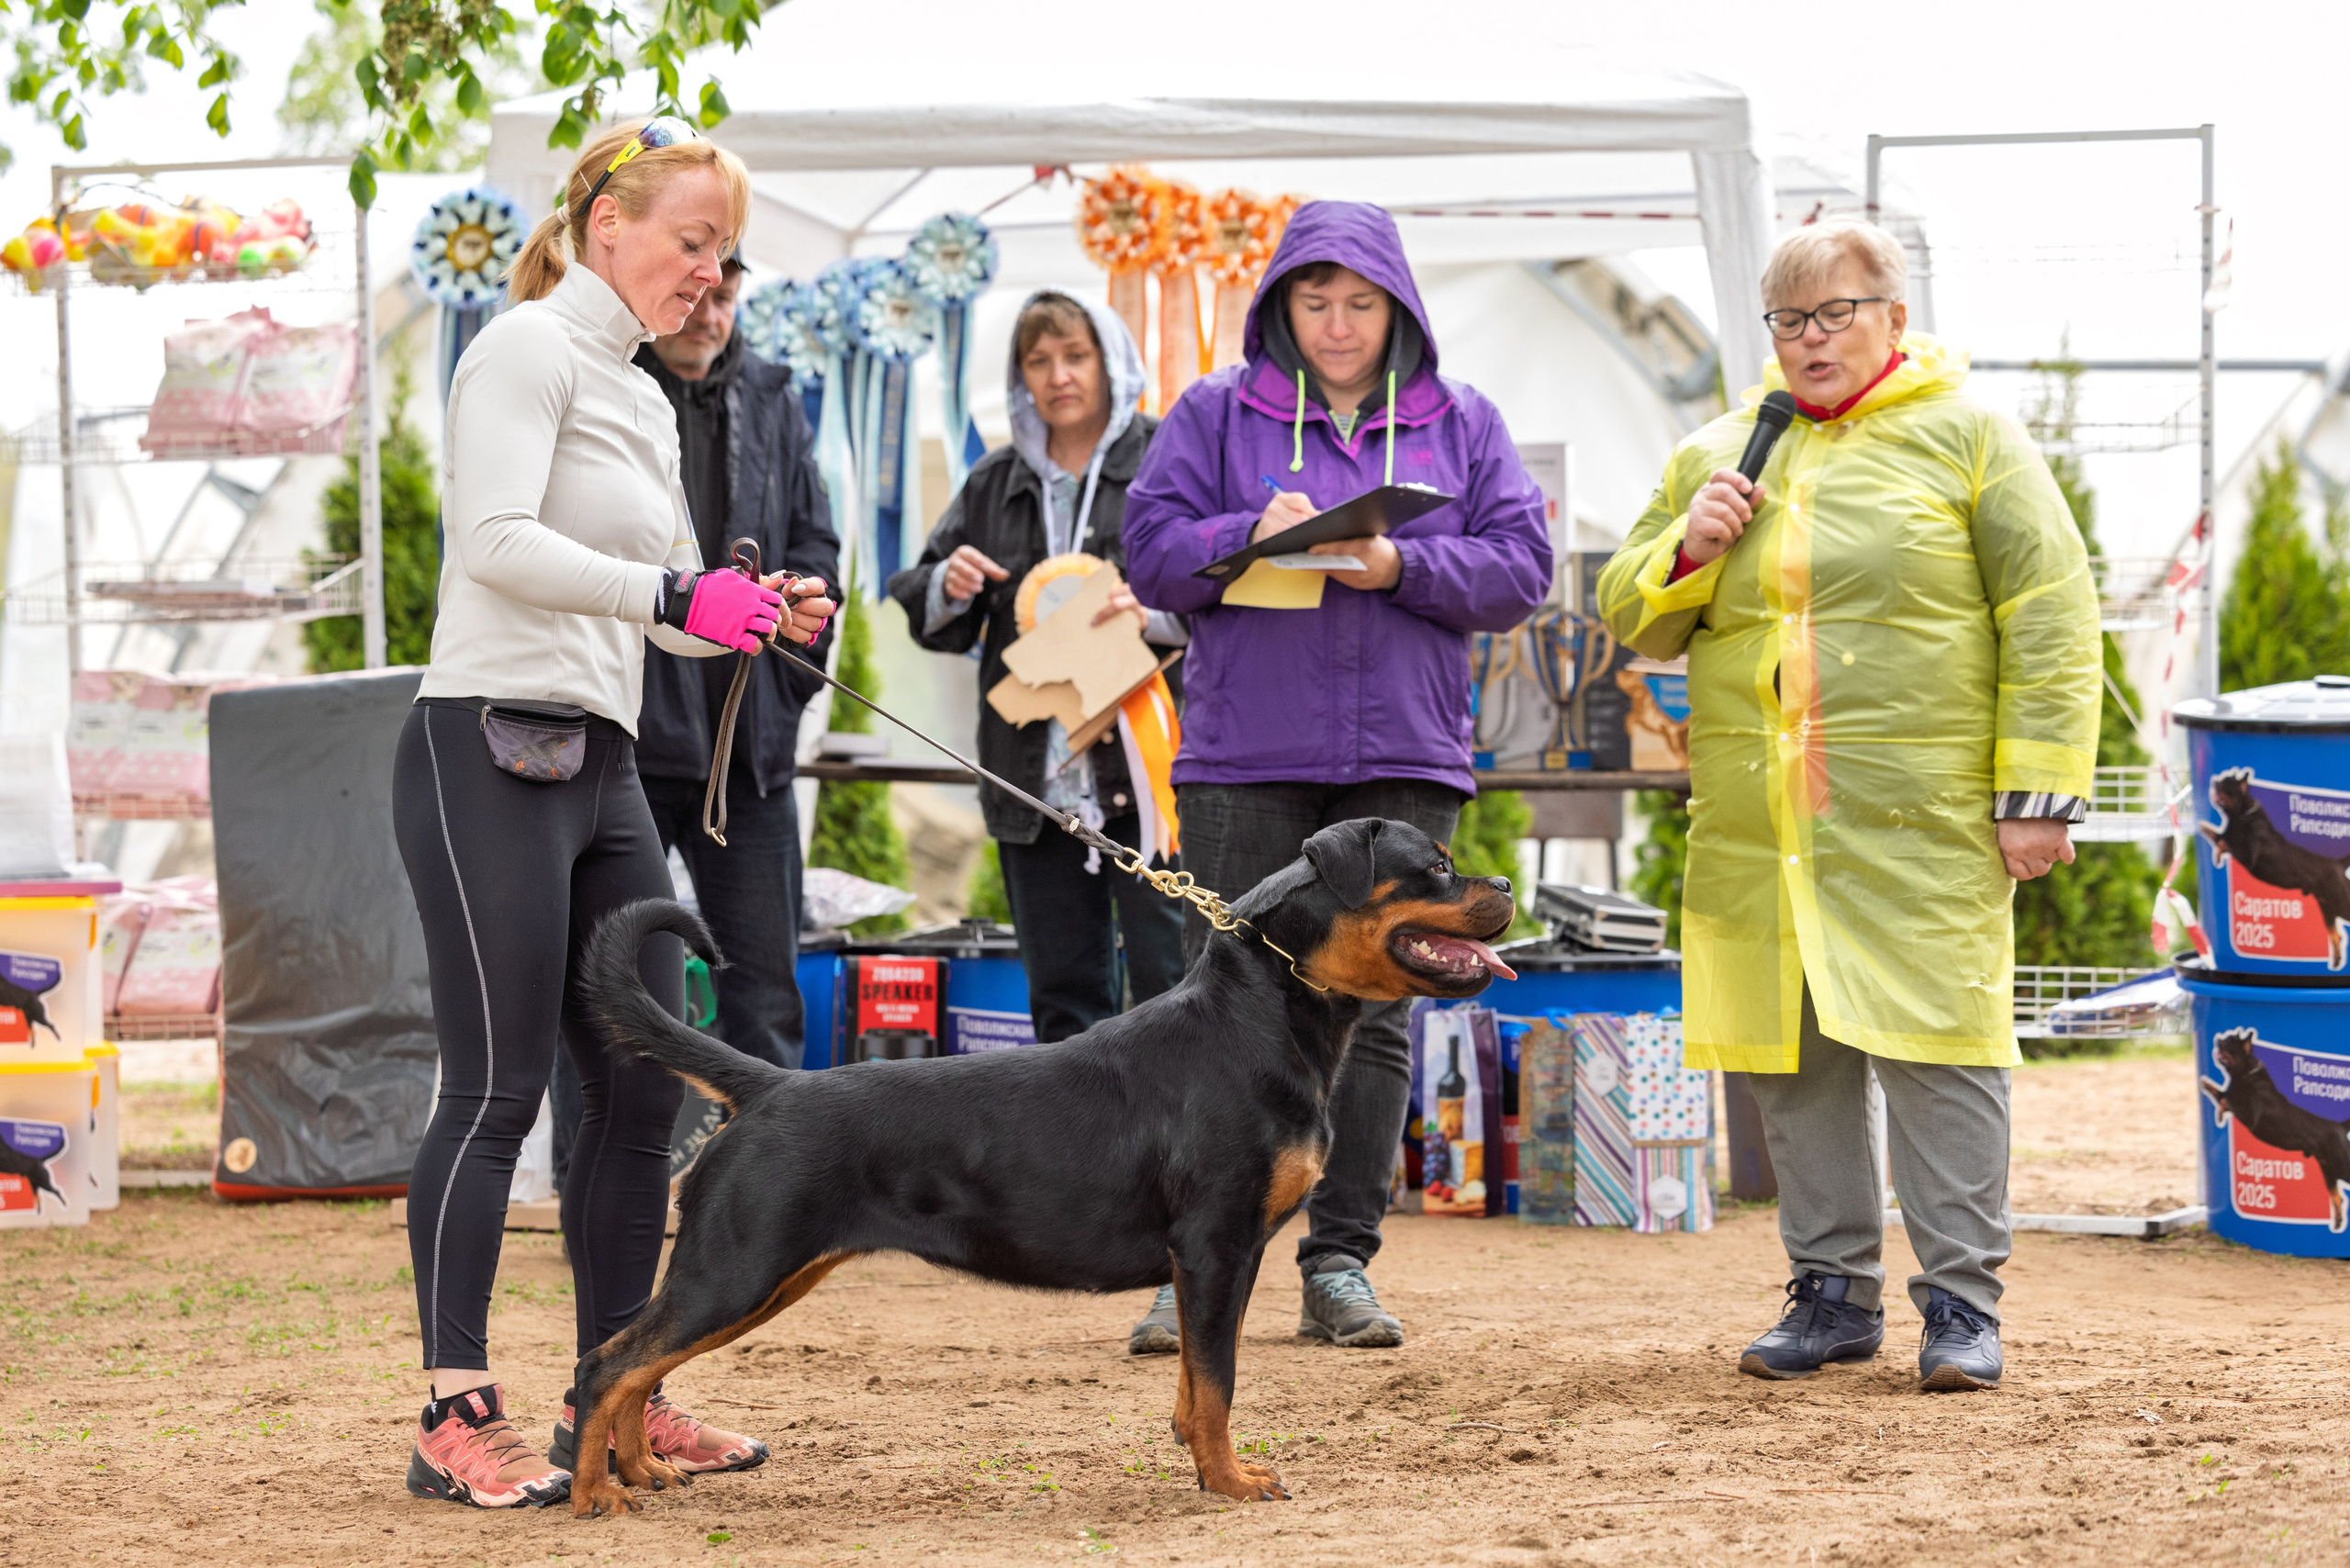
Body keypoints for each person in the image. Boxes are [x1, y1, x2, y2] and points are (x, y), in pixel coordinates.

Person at [392, 117, 836, 1508]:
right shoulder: (524, 348)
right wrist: (669, 600)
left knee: (645, 1081)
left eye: (722, 254)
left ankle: (616, 1388)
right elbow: (498, 545)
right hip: (484, 745)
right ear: (605, 229)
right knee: (497, 1084)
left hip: (601, 758)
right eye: (691, 243)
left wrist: (749, 618)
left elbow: (679, 613)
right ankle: (452, 1409)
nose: (710, 274)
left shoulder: (644, 393)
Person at [1596, 220, 2101, 1392]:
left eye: (1834, 313)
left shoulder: (1971, 436)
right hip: (1763, 822)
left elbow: (2050, 613)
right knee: (1795, 1051)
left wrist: (2034, 796)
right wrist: (1690, 545)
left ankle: (1961, 1303)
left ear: (1893, 316)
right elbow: (1634, 612)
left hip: (1919, 816)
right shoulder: (1723, 448)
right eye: (1787, 319)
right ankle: (1829, 1294)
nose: (1809, 339)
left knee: (1942, 1047)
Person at [1121, 201, 1551, 1353]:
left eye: (1361, 303)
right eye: (1314, 302)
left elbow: (1521, 568)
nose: (1338, 324)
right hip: (1240, 756)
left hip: (1404, 752)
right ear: (1279, 306)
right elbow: (1148, 549)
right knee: (1207, 1008)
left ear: (1399, 307)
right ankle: (1184, 1261)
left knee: (1375, 1017)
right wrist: (1242, 535)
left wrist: (1397, 560)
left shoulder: (1462, 422)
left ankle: (1338, 1261)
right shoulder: (1214, 412)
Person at [546, 250, 839, 1192]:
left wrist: (804, 600)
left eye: (727, 292)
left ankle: (781, 1191)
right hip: (626, 735)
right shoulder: (606, 387)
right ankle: (591, 1180)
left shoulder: (775, 396)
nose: (709, 310)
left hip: (743, 748)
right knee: (606, 977)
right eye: (696, 292)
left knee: (764, 984)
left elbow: (815, 537)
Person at [886, 291, 1187, 1045]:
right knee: (1062, 1004)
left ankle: (1186, 1165)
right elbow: (923, 594)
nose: (1059, 376)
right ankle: (1085, 1166)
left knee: (1178, 996)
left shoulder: (1166, 460)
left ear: (1112, 364)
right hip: (1036, 781)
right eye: (1038, 361)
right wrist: (947, 585)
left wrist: (1149, 614)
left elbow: (1215, 590)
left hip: (1150, 782)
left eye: (1076, 356)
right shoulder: (995, 480)